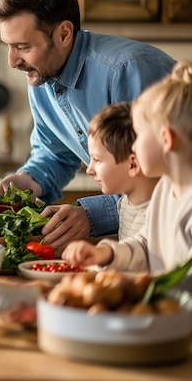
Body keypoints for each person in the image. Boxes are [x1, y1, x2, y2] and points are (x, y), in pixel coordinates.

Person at [0, 0, 175, 249]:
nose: (12, 61)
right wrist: (28, 181)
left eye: (22, 47)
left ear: (63, 33)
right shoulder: (41, 74)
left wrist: (91, 214)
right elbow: (54, 153)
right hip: (137, 236)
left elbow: (157, 174)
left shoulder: (127, 70)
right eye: (8, 46)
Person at [62, 61, 192, 274]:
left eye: (139, 135)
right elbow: (146, 245)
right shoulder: (165, 190)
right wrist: (107, 254)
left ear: (166, 140)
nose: (133, 145)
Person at [85, 102, 159, 241]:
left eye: (97, 159)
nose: (89, 170)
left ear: (132, 165)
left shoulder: (161, 214)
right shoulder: (123, 205)